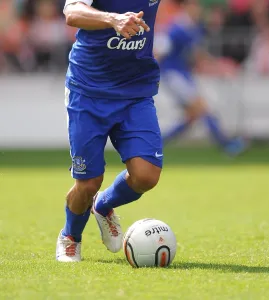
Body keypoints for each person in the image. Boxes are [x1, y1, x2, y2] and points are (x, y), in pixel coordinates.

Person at [56, 0, 163, 262]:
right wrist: (112, 19)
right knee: (89, 183)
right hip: (89, 89)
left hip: (135, 90)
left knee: (146, 176)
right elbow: (72, 12)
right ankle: (70, 236)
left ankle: (103, 206)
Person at [154, 0, 246, 155]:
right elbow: (159, 52)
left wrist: (215, 65)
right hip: (174, 75)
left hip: (183, 75)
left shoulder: (192, 27)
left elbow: (197, 54)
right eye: (194, 5)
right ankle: (227, 145)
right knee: (202, 108)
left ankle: (158, 144)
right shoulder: (176, 28)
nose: (197, 9)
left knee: (192, 116)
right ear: (186, 7)